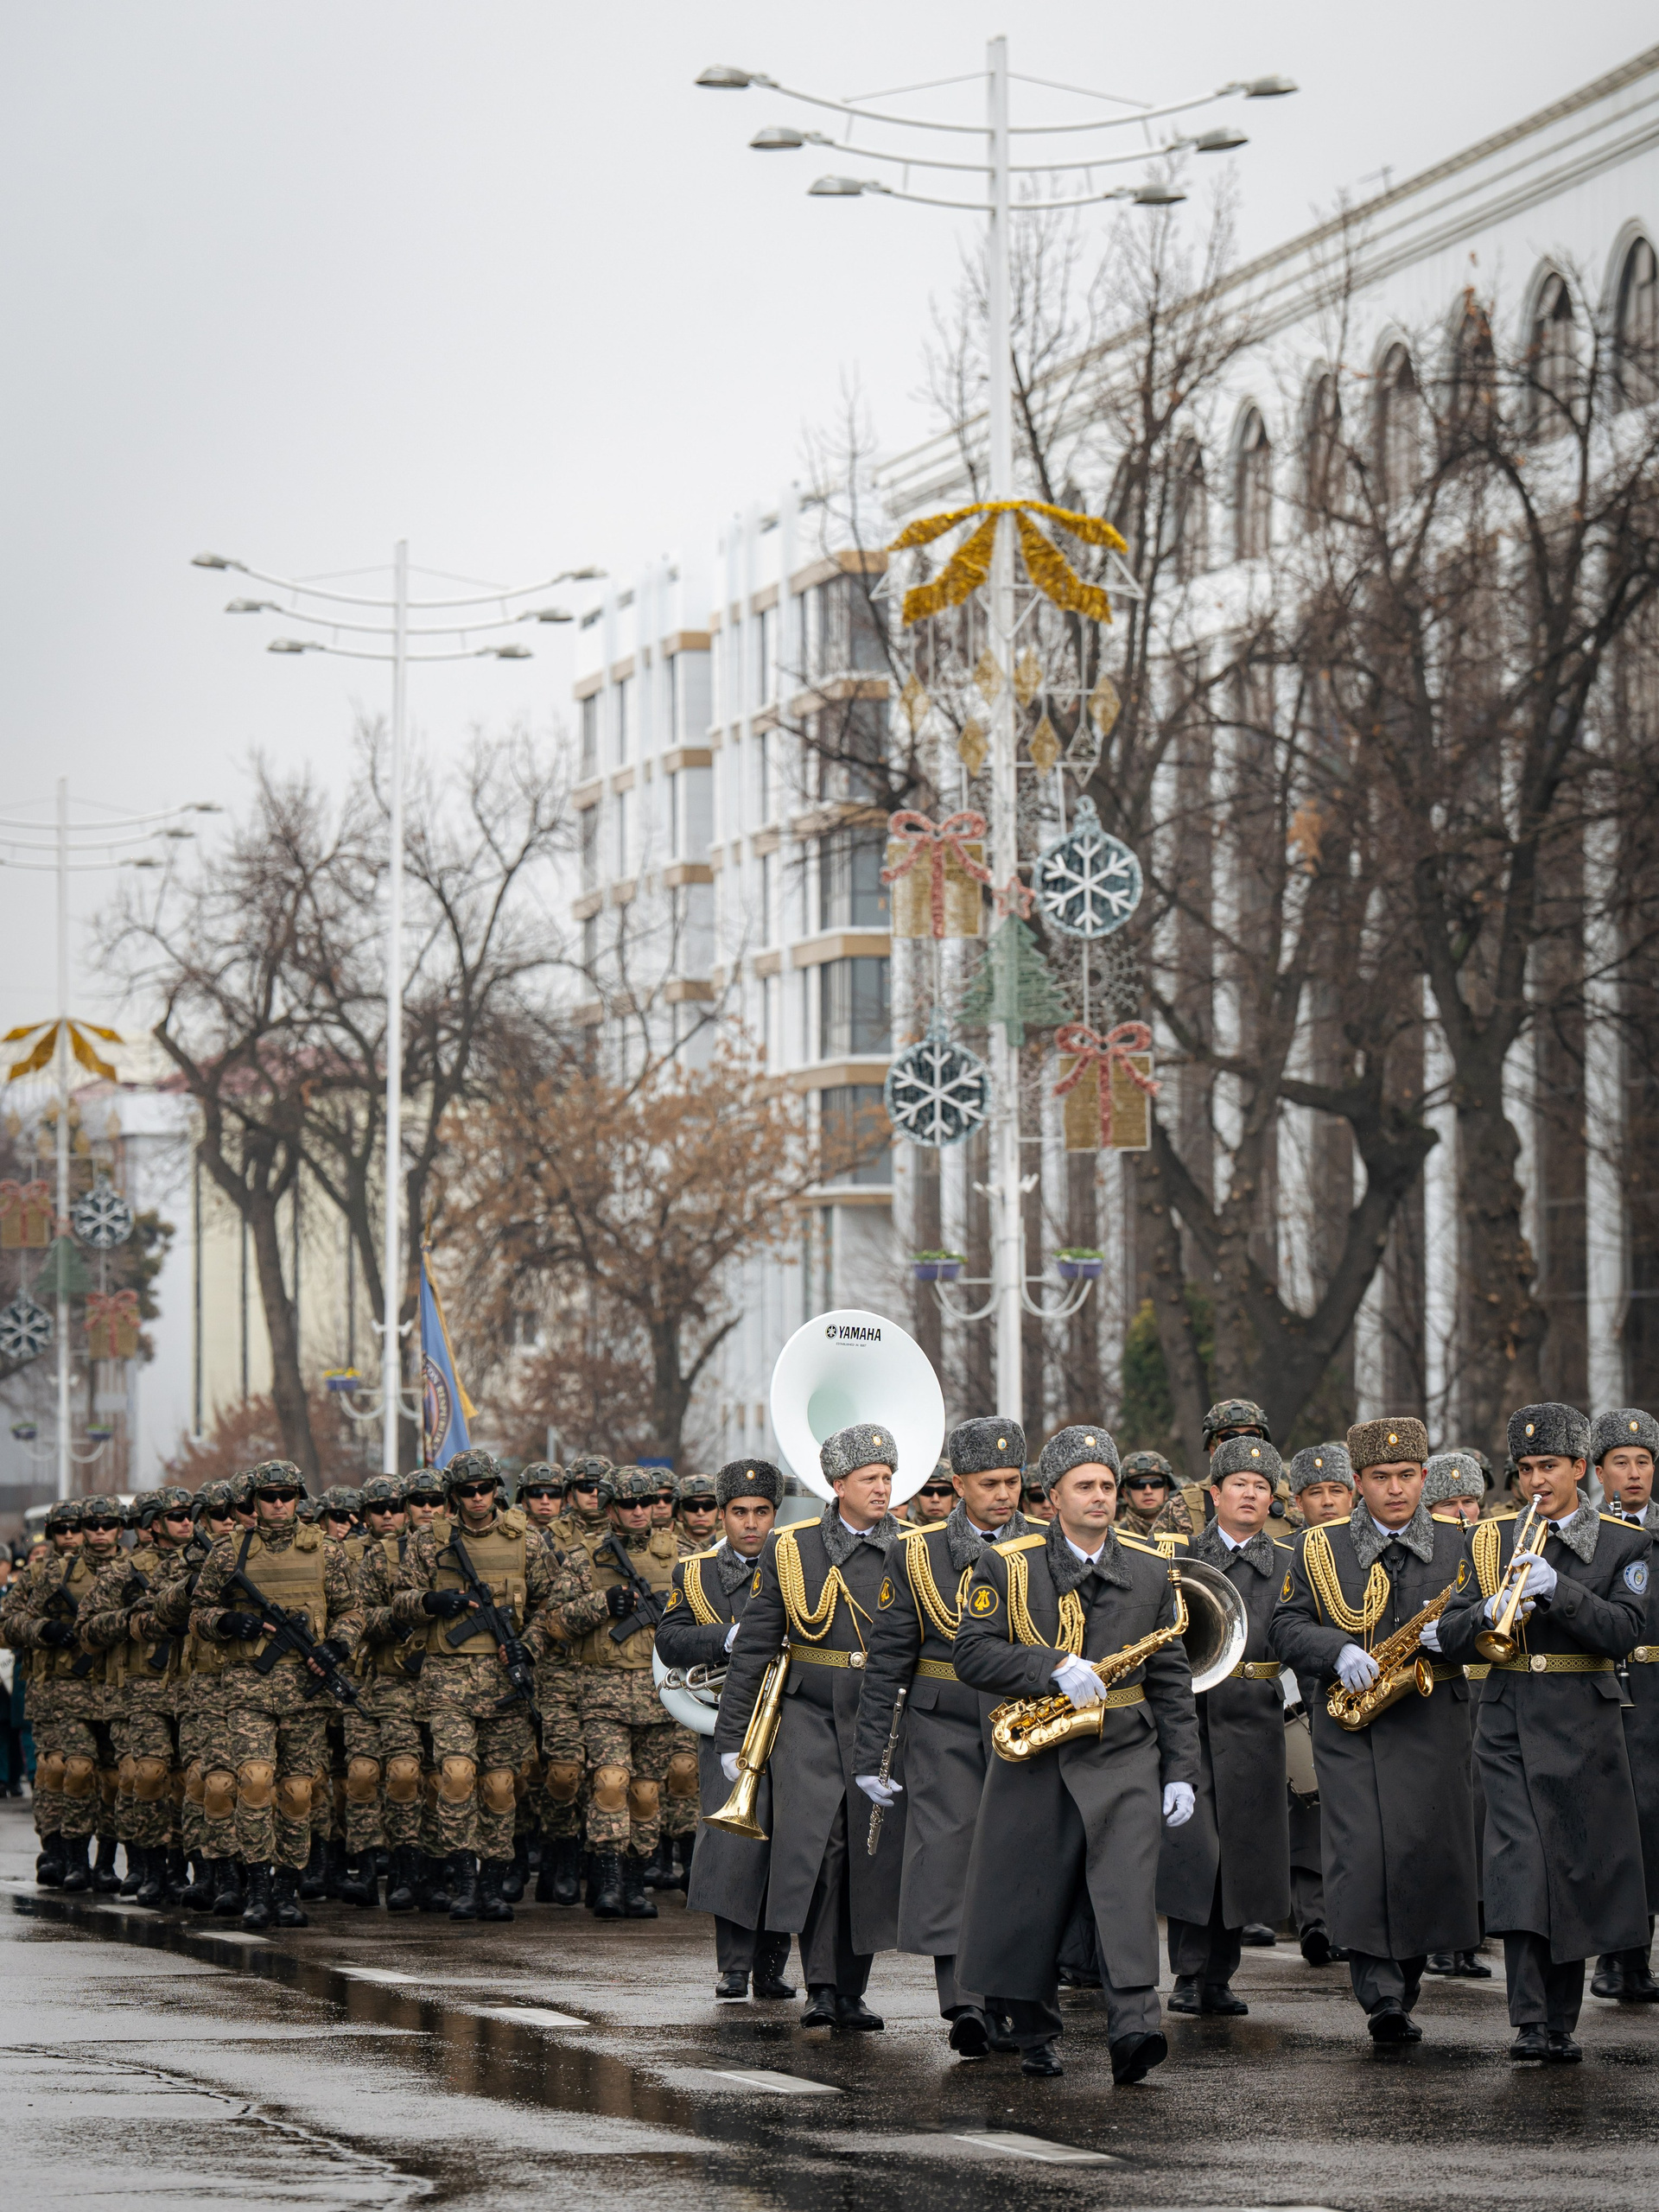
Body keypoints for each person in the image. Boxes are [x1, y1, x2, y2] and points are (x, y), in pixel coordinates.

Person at [953, 1425, 1199, 2083]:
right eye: (1084, 1485)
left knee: (1126, 1893)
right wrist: (1051, 1666)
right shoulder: (1007, 1564)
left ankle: (1135, 2028)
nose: (1100, 1496)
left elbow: (1172, 1682)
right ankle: (1033, 2032)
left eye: (1108, 1485)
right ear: (1052, 1497)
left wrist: (1182, 1772)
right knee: (1029, 1898)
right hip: (1037, 1757)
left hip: (1125, 1753)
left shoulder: (1151, 1568)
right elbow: (971, 1653)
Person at [1433, 1404, 1651, 2061]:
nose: (1536, 1481)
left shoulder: (1623, 1542)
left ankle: (1561, 2022)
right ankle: (1529, 2020)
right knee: (1521, 1865)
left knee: (1574, 1867)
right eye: (1526, 1469)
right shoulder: (1488, 1539)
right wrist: (1486, 1611)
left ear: (1580, 1468)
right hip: (1507, 1720)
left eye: (1549, 1466)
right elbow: (1448, 1634)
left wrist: (1561, 1591)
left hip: (1585, 1724)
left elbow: (1624, 1632)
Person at [1271, 1418, 1480, 2046]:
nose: (1395, 1489)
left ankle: (1404, 1983)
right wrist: (1335, 1650)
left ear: (1424, 1476)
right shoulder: (1319, 1547)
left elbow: (1488, 1624)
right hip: (1350, 1726)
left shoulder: (1462, 1542)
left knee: (1421, 1854)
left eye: (1407, 1475)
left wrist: (1458, 1634)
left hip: (1432, 1722)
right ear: (1358, 1481)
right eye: (1381, 1477)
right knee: (1361, 1856)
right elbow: (1284, 1625)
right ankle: (1381, 1994)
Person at [715, 1422, 909, 2031]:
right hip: (809, 1714)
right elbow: (755, 1645)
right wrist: (733, 1739)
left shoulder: (912, 1548)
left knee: (866, 1853)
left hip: (881, 1715)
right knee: (821, 1850)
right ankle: (822, 1986)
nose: (882, 1489)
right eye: (869, 1478)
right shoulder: (792, 1548)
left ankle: (852, 1991)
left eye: (887, 1477)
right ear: (838, 1484)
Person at [850, 1416, 1031, 2058]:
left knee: (1018, 1860)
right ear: (958, 1485)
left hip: (1025, 1722)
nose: (1003, 1494)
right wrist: (871, 1754)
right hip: (942, 1725)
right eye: (988, 1483)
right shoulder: (916, 1552)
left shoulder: (1043, 1544)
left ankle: (1013, 2000)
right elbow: (888, 1659)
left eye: (1012, 1481)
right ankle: (967, 2002)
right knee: (951, 1856)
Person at [183, 1461, 365, 1929]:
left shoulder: (326, 1551)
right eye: (269, 1496)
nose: (279, 1504)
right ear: (255, 1502)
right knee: (255, 1782)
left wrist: (337, 1646)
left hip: (305, 1692)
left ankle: (286, 1890)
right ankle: (258, 1889)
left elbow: (352, 1611)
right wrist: (226, 1621)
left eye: (287, 1495)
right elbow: (199, 1612)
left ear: (299, 1498)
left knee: (298, 1793)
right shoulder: (229, 1552)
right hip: (248, 1688)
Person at [1157, 1438, 1291, 2016]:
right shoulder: (1184, 1557)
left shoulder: (1288, 1561)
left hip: (1255, 1719)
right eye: (1239, 1484)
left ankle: (1220, 1976)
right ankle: (1188, 1973)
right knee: (1193, 1849)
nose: (1251, 1495)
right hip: (1193, 1719)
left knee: (1242, 1852)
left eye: (1261, 1487)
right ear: (1215, 1493)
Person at [656, 1457, 794, 2001]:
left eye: (762, 1511)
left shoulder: (799, 1564)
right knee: (733, 1844)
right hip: (726, 1725)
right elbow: (670, 1641)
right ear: (721, 1514)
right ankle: (734, 1967)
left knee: (782, 1843)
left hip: (789, 1720)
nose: (751, 1523)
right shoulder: (694, 1573)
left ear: (775, 1514)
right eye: (739, 1512)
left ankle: (772, 1967)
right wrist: (729, 1637)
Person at [571, 1465, 683, 1918]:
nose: (639, 1511)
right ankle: (609, 1884)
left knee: (646, 1795)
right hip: (604, 1696)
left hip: (661, 1695)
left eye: (646, 1502)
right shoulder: (586, 1557)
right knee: (611, 1785)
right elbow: (554, 1622)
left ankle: (636, 1884)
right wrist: (602, 1604)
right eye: (628, 1504)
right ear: (611, 1508)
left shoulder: (681, 1556)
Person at [80, 1486, 197, 1906]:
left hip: (193, 1690)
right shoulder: (123, 1573)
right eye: (177, 1516)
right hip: (141, 1693)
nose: (187, 1522)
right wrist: (130, 1620)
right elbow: (87, 1631)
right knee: (147, 1777)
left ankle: (183, 1868)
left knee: (190, 1782)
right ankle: (149, 1866)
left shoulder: (206, 1565)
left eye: (191, 1514)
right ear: (154, 1524)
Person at [3, 1495, 125, 1891]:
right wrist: (46, 1630)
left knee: (113, 1779)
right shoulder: (45, 1574)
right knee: (66, 1772)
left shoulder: (132, 1569)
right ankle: (65, 1854)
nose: (73, 1535)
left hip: (116, 1691)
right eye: (65, 1529)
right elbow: (8, 1624)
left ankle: (105, 1861)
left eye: (79, 1528)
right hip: (60, 1692)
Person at [1415, 1450, 1497, 1983]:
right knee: (1443, 1817)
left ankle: (1471, 1936)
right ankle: (1439, 1937)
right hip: (1438, 1692)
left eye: (1470, 1501)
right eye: (1447, 1504)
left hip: (1488, 1693)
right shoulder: (1422, 1555)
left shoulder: (1494, 1549)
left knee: (1483, 1817)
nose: (1462, 1512)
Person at [1587, 1408, 1659, 2003]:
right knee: (1618, 1825)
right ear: (1598, 1471)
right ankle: (1614, 1955)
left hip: (1656, 1695)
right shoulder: (1587, 1534)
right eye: (1621, 1463)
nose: (1633, 1474)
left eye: (1643, 1462)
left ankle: (1638, 1960)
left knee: (1653, 1824)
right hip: (1608, 1689)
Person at [1281, 1445, 1354, 1969]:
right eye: (1315, 1493)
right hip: (1296, 1692)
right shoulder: (1287, 1554)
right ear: (1297, 1502)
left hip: (1357, 1692)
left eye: (1337, 1491)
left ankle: (1347, 1918)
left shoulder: (1365, 1549)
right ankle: (1315, 1920)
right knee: (1308, 1809)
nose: (1327, 1503)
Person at [675, 1473, 720, 1556]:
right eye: (692, 1506)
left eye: (708, 1505)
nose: (700, 1513)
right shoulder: (668, 1548)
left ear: (720, 1512)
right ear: (680, 1514)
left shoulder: (731, 1545)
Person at [908, 1462, 957, 1527]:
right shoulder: (900, 1532)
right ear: (914, 1499)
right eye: (927, 1491)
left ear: (955, 1499)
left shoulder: (967, 1531)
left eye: (944, 1491)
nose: (935, 1499)